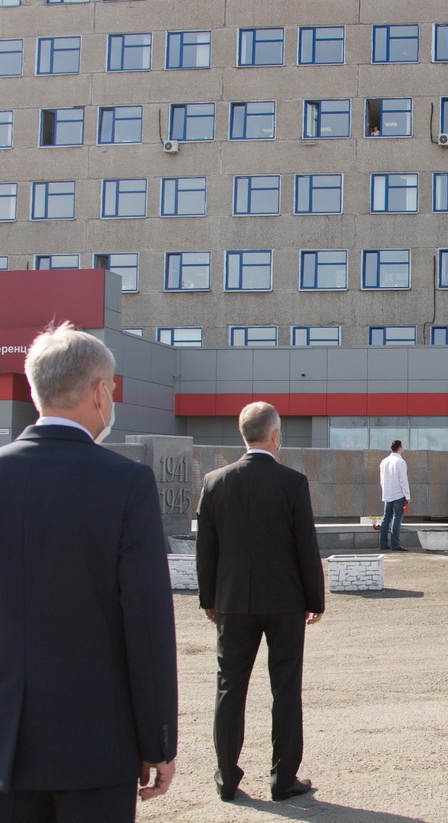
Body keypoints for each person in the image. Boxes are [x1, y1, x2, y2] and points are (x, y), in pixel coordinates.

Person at [0, 322, 177, 822]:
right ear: (101, 392)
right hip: (97, 746)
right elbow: (145, 625)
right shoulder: (125, 483)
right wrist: (158, 739)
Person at [196, 401, 325, 803]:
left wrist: (209, 599)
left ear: (243, 435)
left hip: (232, 602)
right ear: (274, 436)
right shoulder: (292, 483)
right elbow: (306, 546)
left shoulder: (215, 482)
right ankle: (283, 778)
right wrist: (314, 599)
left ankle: (226, 778)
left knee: (229, 687)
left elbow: (206, 549)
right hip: (285, 601)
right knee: (285, 688)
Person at [379, 439, 410, 551]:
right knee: (397, 518)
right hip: (398, 494)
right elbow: (403, 480)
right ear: (400, 448)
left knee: (386, 518)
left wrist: (385, 490)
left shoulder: (384, 461)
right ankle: (395, 544)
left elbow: (382, 479)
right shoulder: (400, 462)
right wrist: (407, 496)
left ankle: (383, 544)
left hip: (387, 493)